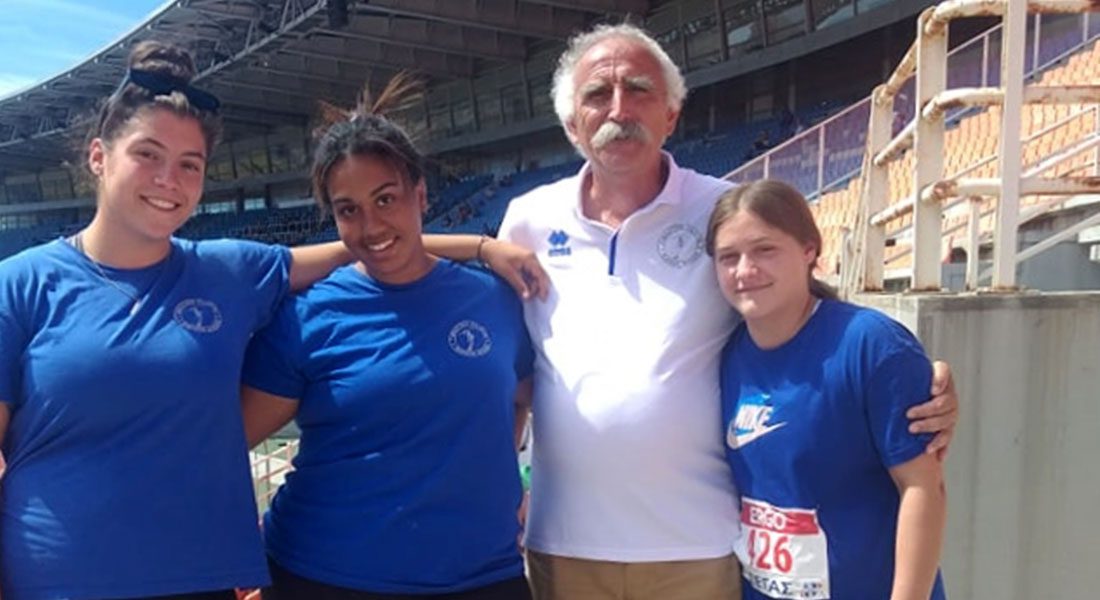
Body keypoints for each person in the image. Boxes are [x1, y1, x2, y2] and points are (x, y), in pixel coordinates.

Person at [0, 43, 543, 600]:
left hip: (197, 578)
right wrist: (478, 245)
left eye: (190, 164)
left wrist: (482, 248)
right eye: (147, 154)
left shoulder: (229, 271)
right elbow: (365, 242)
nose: (168, 179)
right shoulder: (18, 284)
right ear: (98, 156)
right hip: (56, 577)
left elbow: (371, 245)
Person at [494, 23, 958, 600]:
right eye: (597, 94)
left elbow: (806, 310)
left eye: (638, 89)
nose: (619, 109)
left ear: (672, 114)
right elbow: (500, 365)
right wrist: (476, 247)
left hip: (698, 545)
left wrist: (917, 383)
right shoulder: (527, 220)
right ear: (571, 124)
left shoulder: (722, 208)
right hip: (565, 544)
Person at [238, 76, 534, 600]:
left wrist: (489, 481)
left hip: (481, 575)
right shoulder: (306, 316)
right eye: (348, 209)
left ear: (420, 194)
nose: (371, 225)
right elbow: (228, 441)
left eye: (386, 199)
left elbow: (523, 397)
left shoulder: (494, 300)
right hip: (324, 575)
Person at [707, 179, 946, 599]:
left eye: (765, 249)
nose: (745, 270)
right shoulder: (725, 355)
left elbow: (923, 488)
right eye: (729, 257)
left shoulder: (870, 345)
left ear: (809, 250)